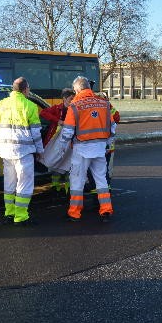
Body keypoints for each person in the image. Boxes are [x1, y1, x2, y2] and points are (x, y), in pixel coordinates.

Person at [0, 77, 44, 226]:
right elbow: (36, 133)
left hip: (5, 151)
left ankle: (9, 212)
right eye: (28, 88)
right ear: (25, 89)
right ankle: (21, 216)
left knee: (9, 182)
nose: (29, 91)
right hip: (23, 152)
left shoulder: (2, 104)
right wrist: (40, 150)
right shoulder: (30, 106)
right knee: (24, 184)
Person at [57, 76, 116, 222]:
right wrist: (107, 143)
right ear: (89, 87)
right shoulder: (104, 103)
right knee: (101, 180)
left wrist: (61, 148)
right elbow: (113, 127)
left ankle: (75, 213)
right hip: (100, 148)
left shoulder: (75, 105)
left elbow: (68, 132)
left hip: (82, 149)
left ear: (77, 89)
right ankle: (106, 210)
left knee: (77, 181)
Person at [39, 88, 75, 193]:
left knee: (69, 163)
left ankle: (68, 189)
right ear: (64, 98)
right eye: (71, 98)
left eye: (74, 98)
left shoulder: (75, 109)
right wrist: (58, 121)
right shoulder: (57, 108)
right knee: (55, 162)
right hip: (56, 140)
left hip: (70, 141)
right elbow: (43, 113)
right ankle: (56, 187)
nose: (72, 100)